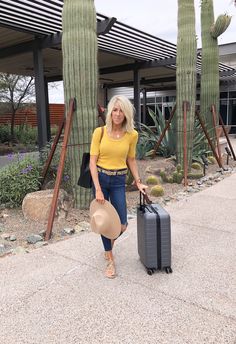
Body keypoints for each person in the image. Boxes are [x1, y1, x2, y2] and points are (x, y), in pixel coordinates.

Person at [89, 95, 147, 279]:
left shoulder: (132, 135)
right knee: (105, 222)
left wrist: (138, 180)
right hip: (101, 179)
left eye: (121, 110)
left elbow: (131, 159)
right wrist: (97, 188)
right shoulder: (99, 132)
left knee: (122, 224)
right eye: (115, 109)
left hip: (119, 180)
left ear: (126, 113)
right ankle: (110, 259)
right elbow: (92, 162)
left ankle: (108, 247)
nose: (118, 113)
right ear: (110, 112)